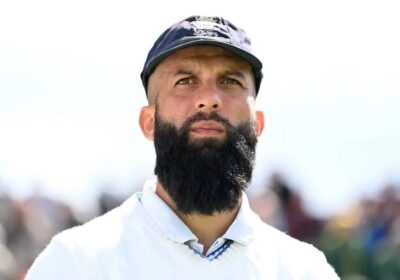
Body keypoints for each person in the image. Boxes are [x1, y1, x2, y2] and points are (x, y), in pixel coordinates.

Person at [25, 15, 339, 279]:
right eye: (185, 81)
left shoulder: (305, 271)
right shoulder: (75, 264)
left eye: (230, 80)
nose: (209, 98)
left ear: (258, 124)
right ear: (149, 122)